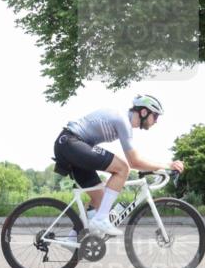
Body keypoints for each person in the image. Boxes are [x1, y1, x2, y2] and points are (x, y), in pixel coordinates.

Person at [53, 94, 184, 236]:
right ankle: (101, 219)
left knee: (100, 199)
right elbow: (134, 162)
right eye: (156, 116)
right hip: (71, 142)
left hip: (71, 145)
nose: (156, 121)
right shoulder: (123, 121)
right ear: (144, 112)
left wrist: (158, 167)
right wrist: (167, 165)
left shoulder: (124, 122)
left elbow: (136, 159)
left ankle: (73, 239)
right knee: (123, 168)